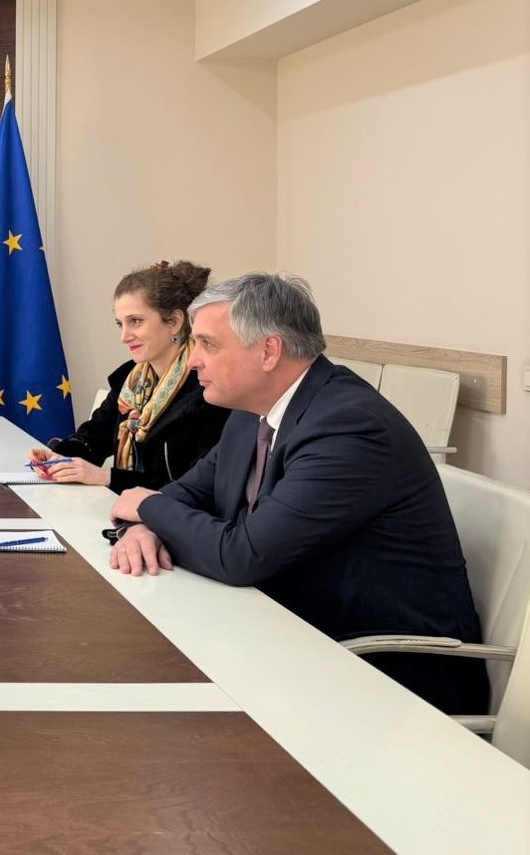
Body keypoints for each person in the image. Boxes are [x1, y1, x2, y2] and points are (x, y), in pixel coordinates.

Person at [107, 273, 487, 714]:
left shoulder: (349, 426)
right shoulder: (251, 412)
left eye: (208, 344)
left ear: (269, 351)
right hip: (292, 640)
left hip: (386, 679)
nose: (193, 361)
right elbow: (186, 494)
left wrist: (147, 505)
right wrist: (145, 526)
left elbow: (244, 556)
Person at [30, 260, 229, 493]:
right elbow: (94, 438)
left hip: (169, 512)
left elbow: (195, 487)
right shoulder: (130, 378)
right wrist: (59, 457)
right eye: (120, 324)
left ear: (175, 322)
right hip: (124, 507)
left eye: (135, 321)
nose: (124, 336)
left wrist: (108, 478)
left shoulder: (208, 389)